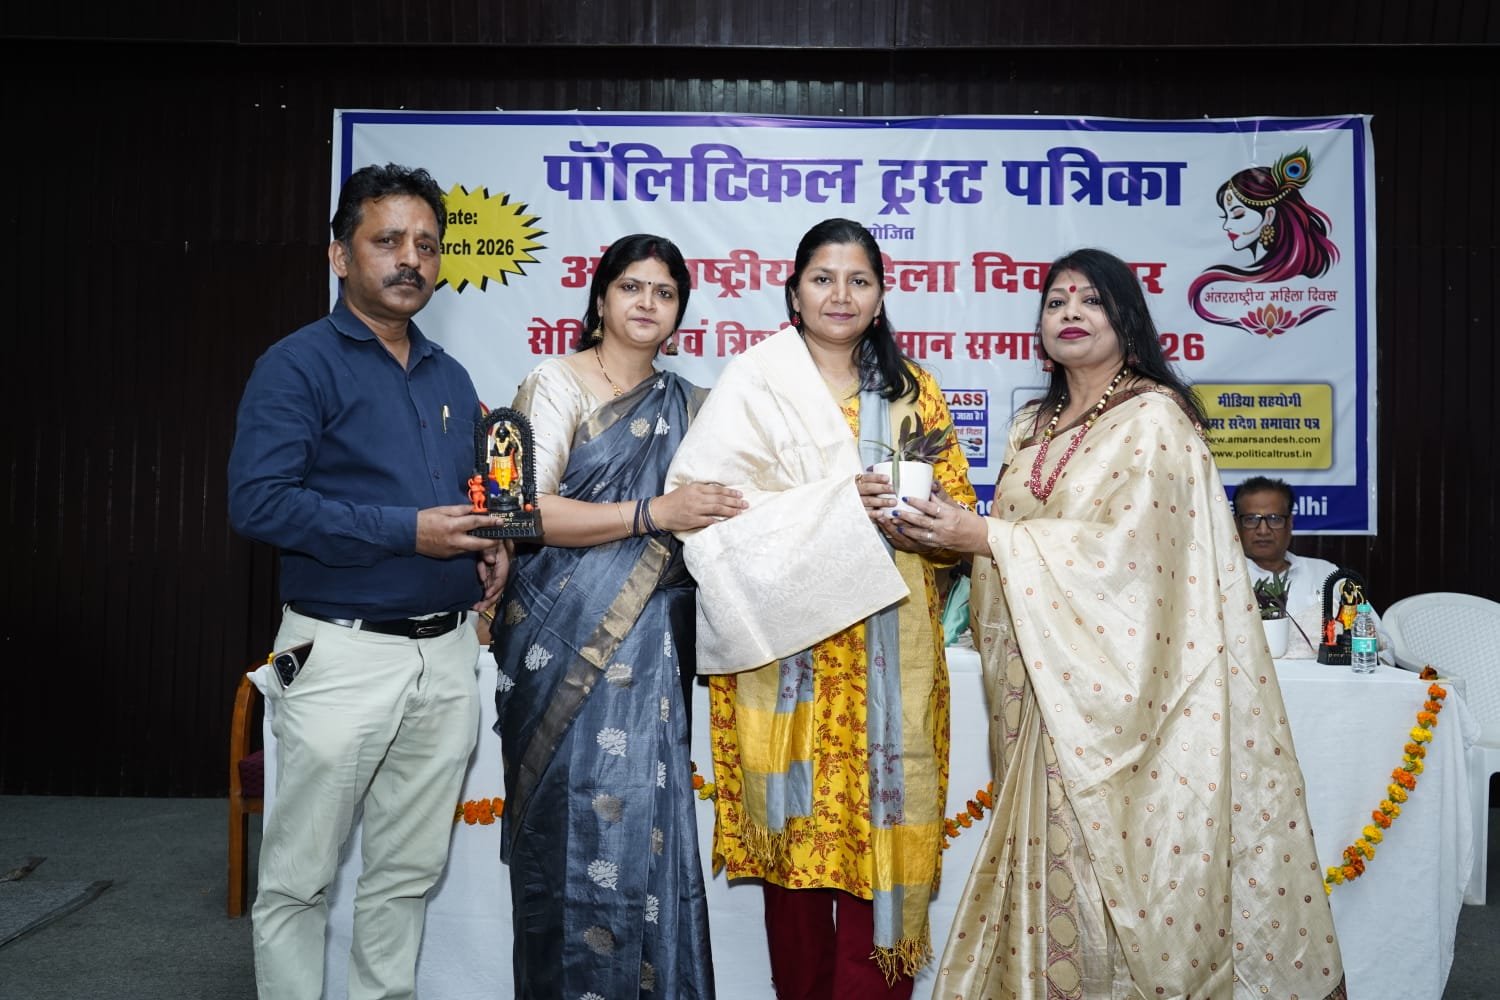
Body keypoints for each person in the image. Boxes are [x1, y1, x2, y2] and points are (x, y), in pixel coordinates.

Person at [900, 249, 1346, 998]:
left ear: (1126, 319)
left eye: (1090, 301)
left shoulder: (1155, 419)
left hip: (1125, 703)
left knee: (1120, 864)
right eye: (1056, 302)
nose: (1070, 313)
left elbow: (1134, 561)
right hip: (1036, 690)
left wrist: (987, 538)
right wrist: (957, 534)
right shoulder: (1030, 427)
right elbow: (1013, 543)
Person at [664, 218, 976, 999]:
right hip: (785, 657)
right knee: (796, 852)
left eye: (859, 280)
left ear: (880, 297)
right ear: (794, 293)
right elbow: (708, 508)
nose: (841, 295)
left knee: (882, 838)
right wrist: (837, 505)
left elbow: (956, 529)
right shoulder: (755, 384)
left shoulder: (914, 394)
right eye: (823, 278)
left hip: (889, 658)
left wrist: (917, 518)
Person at [227, 162, 511, 1000]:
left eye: (426, 244)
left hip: (447, 657)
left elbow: (465, 496)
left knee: (407, 873)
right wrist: (407, 532)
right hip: (341, 654)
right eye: (388, 240)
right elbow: (259, 501)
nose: (410, 259)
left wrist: (488, 544)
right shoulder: (297, 365)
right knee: (298, 880)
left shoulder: (450, 375)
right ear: (340, 255)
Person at [489, 233, 746, 999]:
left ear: (679, 314)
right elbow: (517, 511)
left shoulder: (695, 407)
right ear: (600, 298)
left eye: (665, 293)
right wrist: (651, 512)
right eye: (632, 286)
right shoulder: (551, 384)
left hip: (655, 648)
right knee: (568, 834)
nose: (647, 303)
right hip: (557, 642)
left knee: (645, 832)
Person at [1234, 474, 1391, 661]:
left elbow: (1381, 644)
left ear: (1290, 523)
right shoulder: (1221, 580)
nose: (1263, 530)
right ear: (1235, 524)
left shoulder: (1327, 573)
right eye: (1251, 519)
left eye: (1274, 519)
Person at [1188, 148, 1341, 335]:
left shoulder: (1298, 283)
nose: (1226, 226)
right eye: (1225, 216)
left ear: (1269, 215)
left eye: (1237, 215)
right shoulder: (1227, 281)